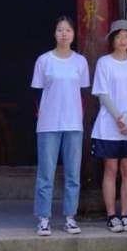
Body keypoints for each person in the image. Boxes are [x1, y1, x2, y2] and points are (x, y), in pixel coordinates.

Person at [31, 16, 90, 236]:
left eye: (68, 30)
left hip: (73, 123)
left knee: (73, 173)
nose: (64, 34)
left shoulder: (80, 62)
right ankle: (43, 218)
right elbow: (36, 93)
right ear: (54, 33)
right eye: (59, 30)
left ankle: (70, 217)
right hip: (48, 123)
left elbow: (83, 93)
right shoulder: (44, 60)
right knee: (46, 173)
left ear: (74, 34)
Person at [91, 19, 127, 233]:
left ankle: (125, 214)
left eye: (126, 36)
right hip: (109, 123)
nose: (123, 40)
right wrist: (119, 118)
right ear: (112, 39)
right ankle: (111, 215)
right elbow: (102, 93)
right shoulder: (104, 63)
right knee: (111, 169)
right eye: (119, 36)